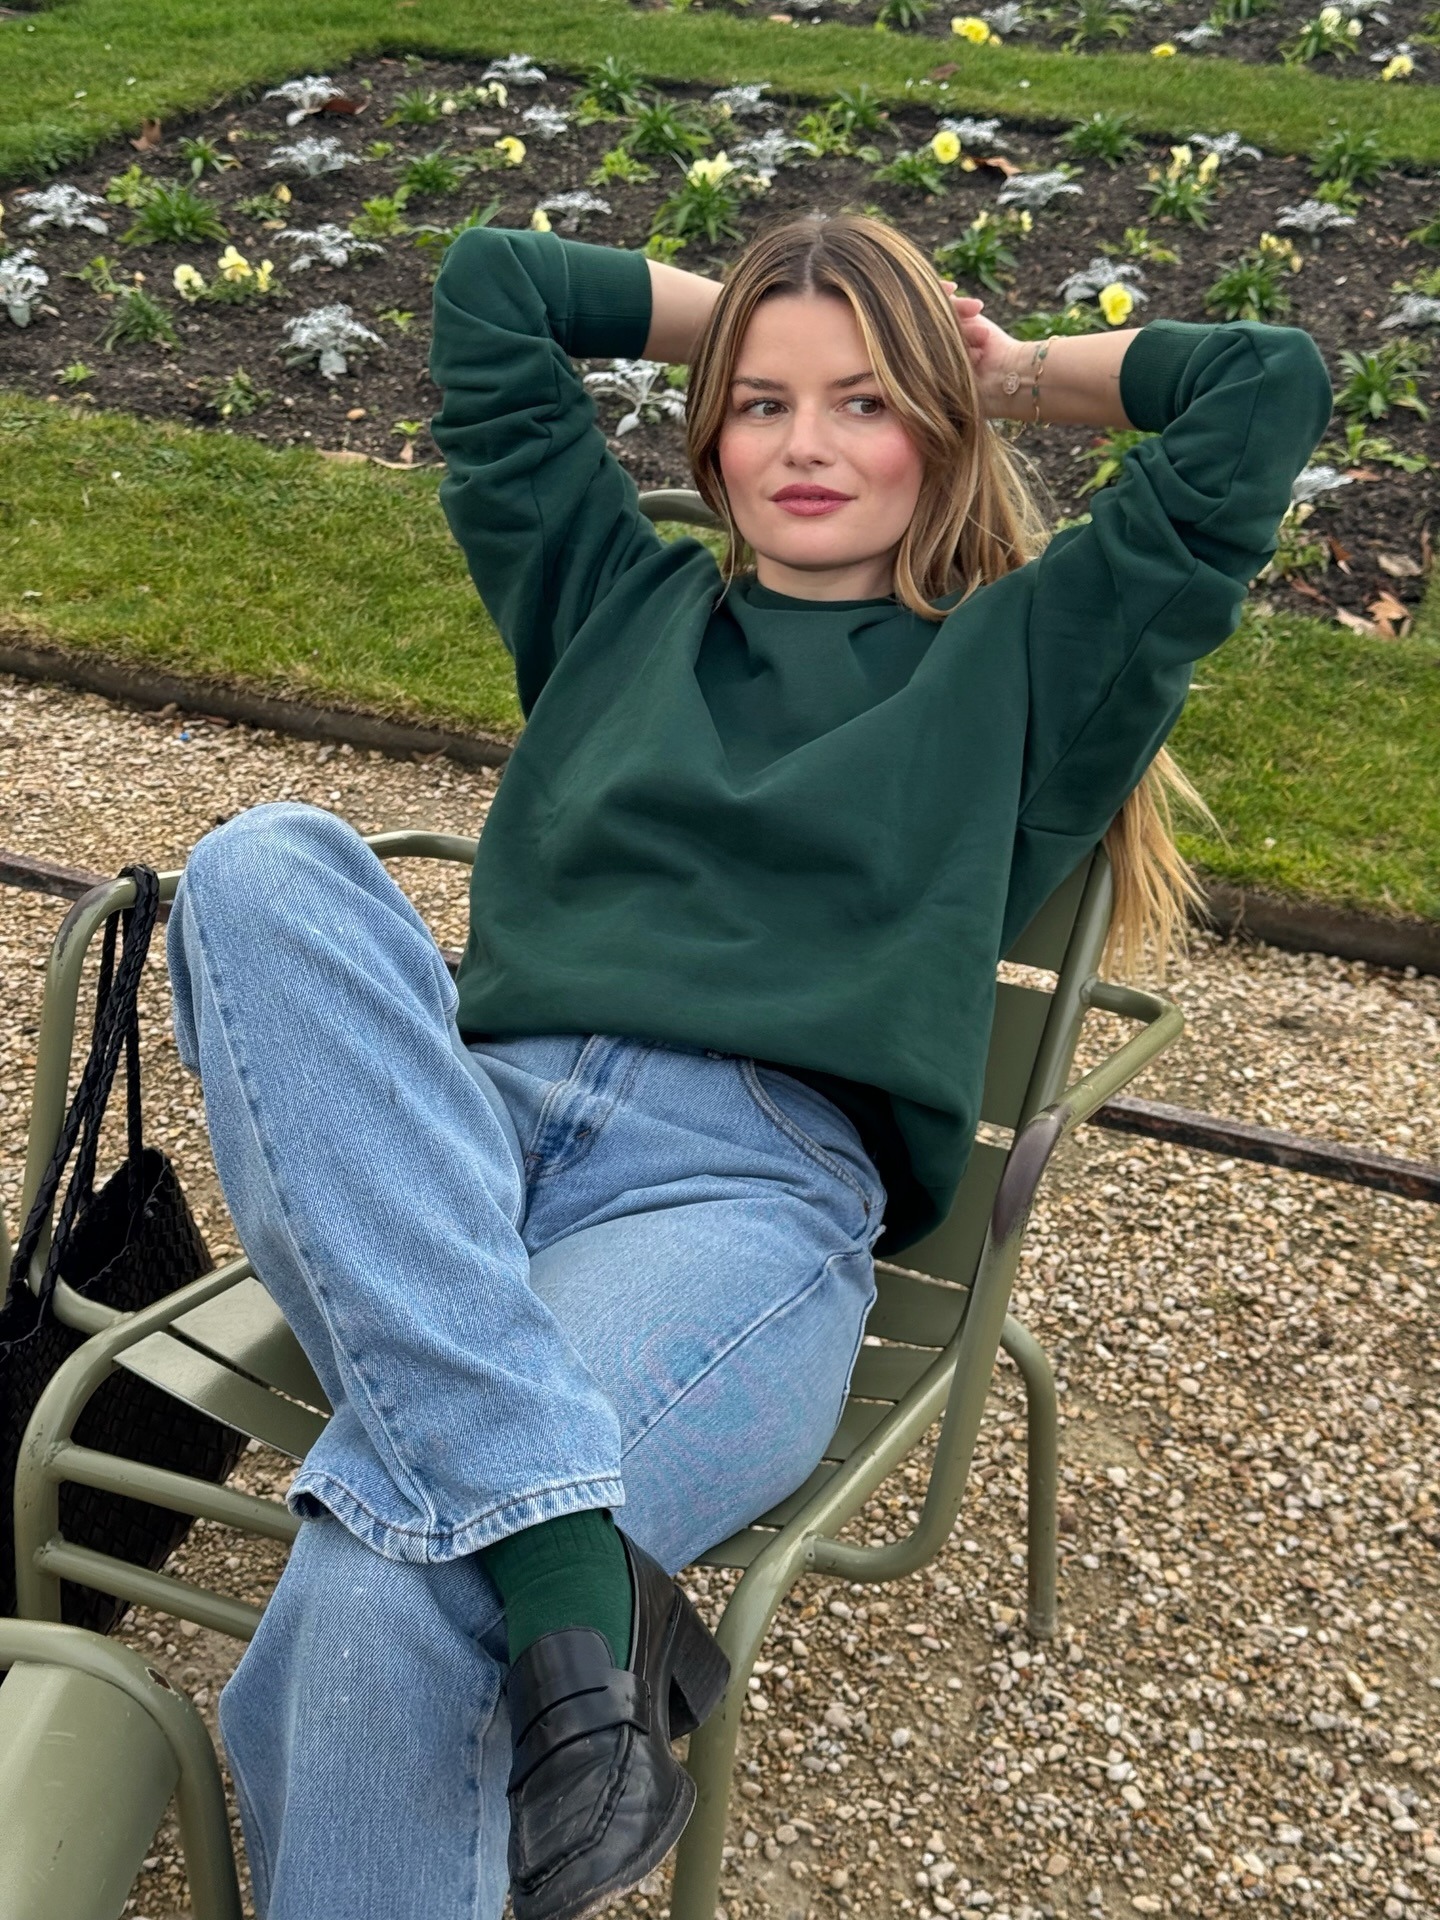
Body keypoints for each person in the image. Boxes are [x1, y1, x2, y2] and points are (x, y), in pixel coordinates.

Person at [166, 210, 1334, 1920]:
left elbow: (1263, 387)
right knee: (262, 861)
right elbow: (494, 291)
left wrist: (994, 362)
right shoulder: (607, 593)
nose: (805, 446)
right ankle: (574, 1567)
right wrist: (776, 309)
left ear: (938, 429)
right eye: (761, 403)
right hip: (460, 1140)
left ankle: (519, 1541)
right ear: (704, 430)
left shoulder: (1025, 667)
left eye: (866, 402)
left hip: (736, 1189)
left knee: (382, 1586)